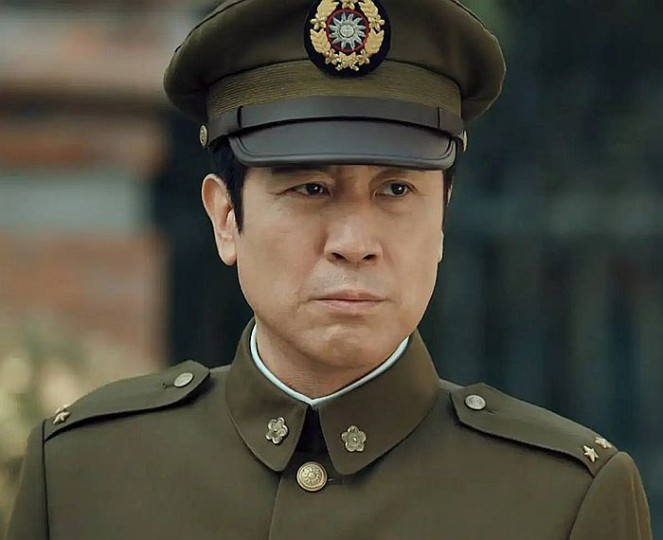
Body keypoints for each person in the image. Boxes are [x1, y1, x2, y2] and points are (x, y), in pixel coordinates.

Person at [7, 0, 652, 538]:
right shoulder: (84, 474)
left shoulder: (562, 502)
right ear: (226, 217)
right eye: (310, 188)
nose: (354, 242)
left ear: (443, 218)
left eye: (396, 190)